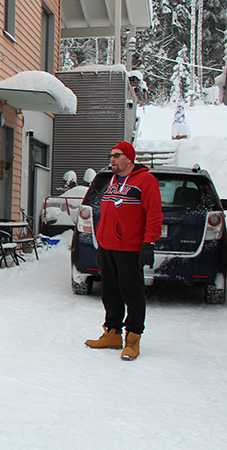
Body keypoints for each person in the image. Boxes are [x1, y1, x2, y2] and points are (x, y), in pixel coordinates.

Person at [84, 141, 162, 360]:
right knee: (110, 292)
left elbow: (154, 215)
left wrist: (149, 244)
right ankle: (112, 333)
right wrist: (101, 239)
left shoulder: (146, 181)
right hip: (107, 246)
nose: (112, 159)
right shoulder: (112, 181)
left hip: (130, 248)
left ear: (129, 158)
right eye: (111, 155)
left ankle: (133, 338)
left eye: (117, 155)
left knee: (132, 293)